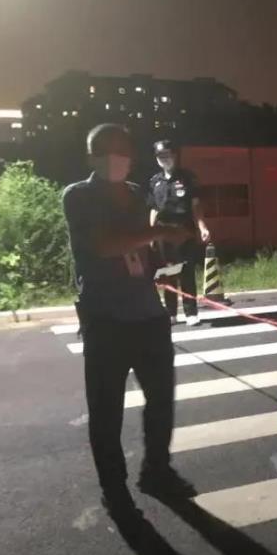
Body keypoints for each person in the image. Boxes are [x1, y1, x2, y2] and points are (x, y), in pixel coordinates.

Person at [62, 124, 197, 513]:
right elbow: (104, 245)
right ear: (90, 156)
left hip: (148, 314)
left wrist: (165, 253)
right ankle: (114, 488)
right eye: (104, 149)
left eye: (121, 149)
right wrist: (158, 232)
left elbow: (141, 246)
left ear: (131, 155)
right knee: (106, 410)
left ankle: (156, 470)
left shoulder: (138, 194)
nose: (114, 157)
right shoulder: (78, 195)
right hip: (105, 318)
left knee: (161, 400)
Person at [148, 140, 211, 326]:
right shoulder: (154, 181)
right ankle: (171, 313)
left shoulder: (188, 178)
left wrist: (202, 227)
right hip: (163, 232)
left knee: (186, 271)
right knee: (167, 272)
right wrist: (151, 233)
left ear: (175, 155)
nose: (164, 159)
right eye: (160, 156)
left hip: (184, 230)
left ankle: (191, 312)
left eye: (167, 155)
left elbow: (196, 206)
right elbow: (154, 209)